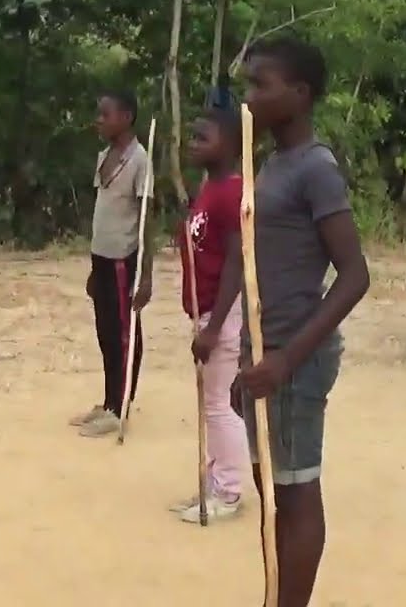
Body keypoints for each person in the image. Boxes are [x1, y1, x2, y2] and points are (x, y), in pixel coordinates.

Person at [236, 36, 371, 607]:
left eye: (260, 85)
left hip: (295, 358)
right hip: (264, 356)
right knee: (272, 493)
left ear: (300, 93)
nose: (249, 97)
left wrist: (286, 360)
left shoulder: (315, 168)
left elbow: (355, 275)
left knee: (295, 494)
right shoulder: (269, 162)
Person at [169, 110, 250, 524]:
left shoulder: (230, 193)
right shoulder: (208, 190)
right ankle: (215, 479)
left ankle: (230, 490)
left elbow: (237, 260)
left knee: (219, 404)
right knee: (210, 401)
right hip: (204, 310)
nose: (194, 144)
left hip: (220, 311)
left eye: (204, 138)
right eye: (193, 137)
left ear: (232, 145)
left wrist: (215, 327)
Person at [72, 90, 154, 438]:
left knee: (124, 334)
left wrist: (146, 275)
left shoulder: (140, 160)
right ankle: (108, 402)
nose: (99, 120)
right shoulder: (105, 156)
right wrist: (93, 267)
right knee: (105, 332)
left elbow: (148, 219)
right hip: (101, 256)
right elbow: (103, 206)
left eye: (106, 115)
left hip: (124, 258)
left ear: (127, 117)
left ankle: (121, 407)